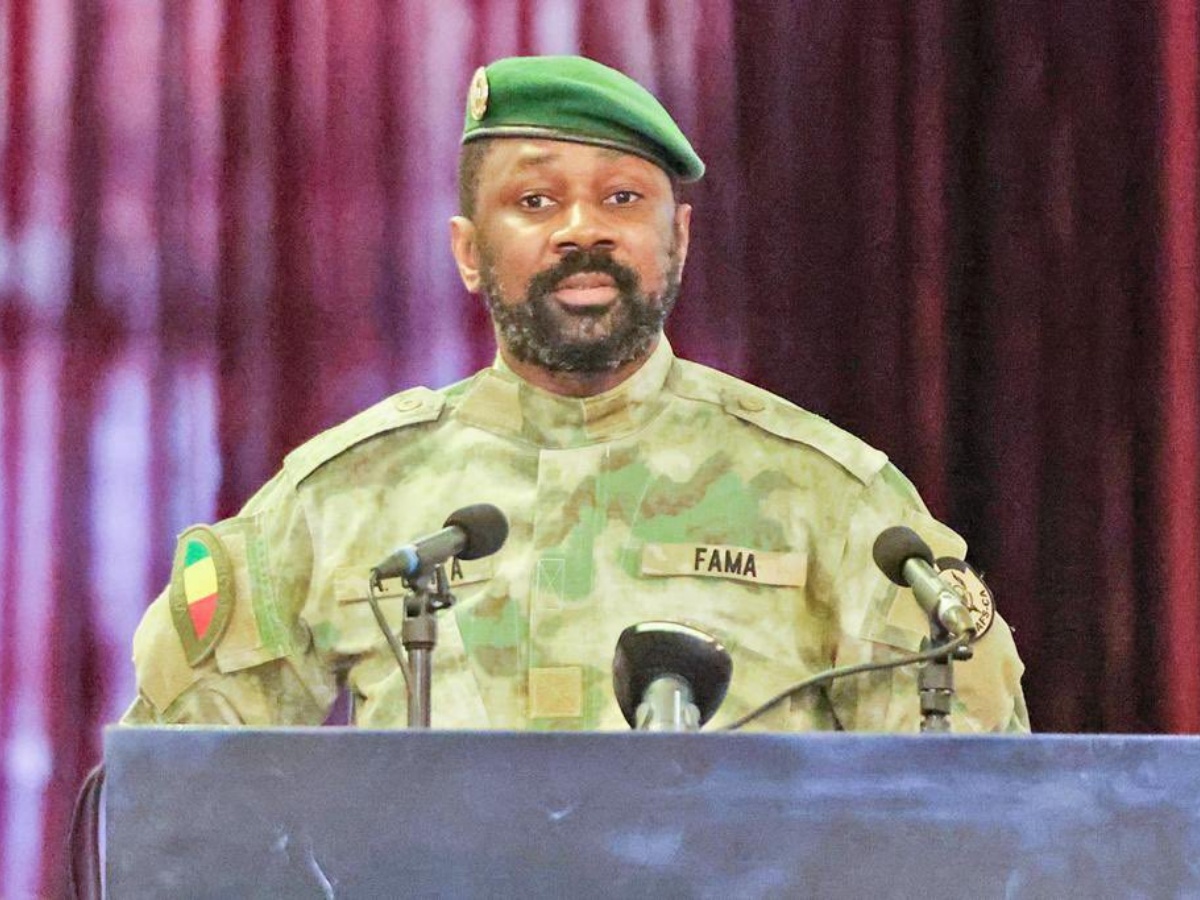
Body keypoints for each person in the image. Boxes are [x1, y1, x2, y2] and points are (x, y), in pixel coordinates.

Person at [122, 55, 1028, 732]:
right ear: (469, 252)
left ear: (679, 241)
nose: (582, 231)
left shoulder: (831, 498)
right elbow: (183, 792)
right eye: (536, 203)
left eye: (623, 199)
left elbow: (969, 806)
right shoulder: (347, 498)